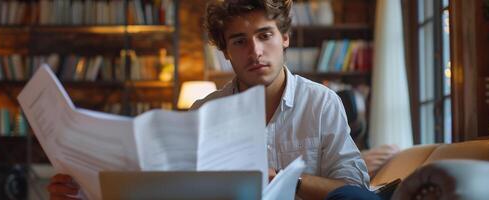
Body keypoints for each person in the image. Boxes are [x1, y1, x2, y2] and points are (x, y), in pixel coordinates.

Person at [48, 0, 379, 199]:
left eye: (265, 35)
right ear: (225, 53)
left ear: (285, 37)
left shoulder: (322, 103)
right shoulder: (204, 112)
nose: (255, 51)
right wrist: (83, 191)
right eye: (239, 41)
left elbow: (355, 191)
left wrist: (286, 180)